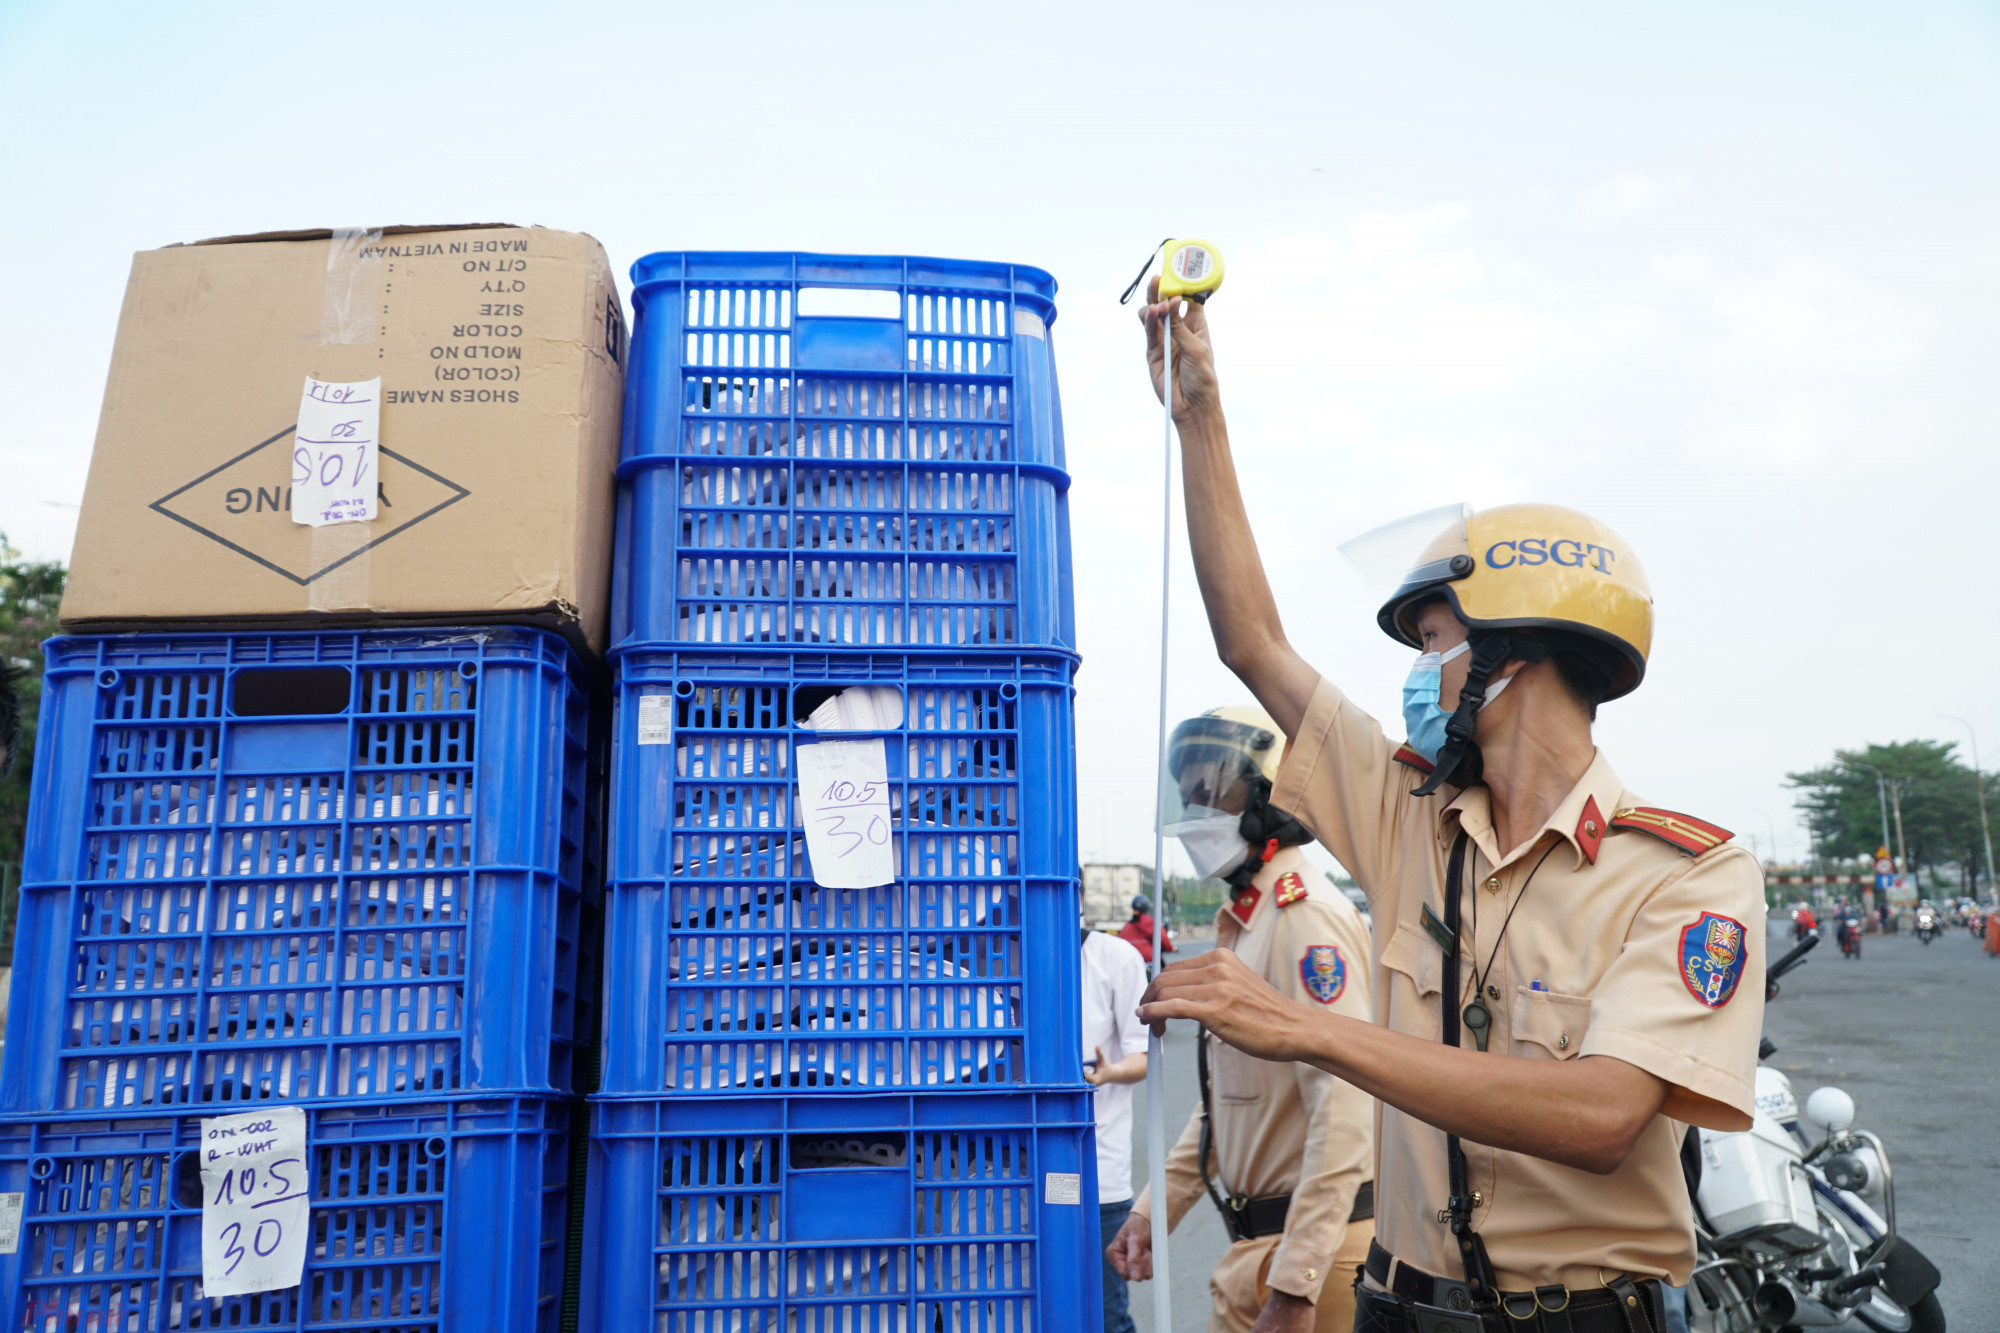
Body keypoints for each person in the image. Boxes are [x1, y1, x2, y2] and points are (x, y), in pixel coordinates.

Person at [1131, 282, 1766, 1333]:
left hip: (1576, 1317)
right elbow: (1250, 640)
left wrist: (1307, 1031)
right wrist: (1197, 415)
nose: (1417, 676)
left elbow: (1602, 1114)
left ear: (1511, 657)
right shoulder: (1407, 816)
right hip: (1395, 1302)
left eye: (1432, 643)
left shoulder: (1687, 873)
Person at [1108, 706, 1377, 1332]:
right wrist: (1154, 1212)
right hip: (1259, 1252)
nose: (1194, 806)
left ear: (1270, 796)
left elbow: (1345, 1105)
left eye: (1210, 789)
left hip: (1312, 1256)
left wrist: (1297, 1281)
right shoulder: (1247, 923)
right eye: (1186, 792)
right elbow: (1224, 1099)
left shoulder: (1302, 919)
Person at [1081, 917, 1152, 1333]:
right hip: (1013, 1169)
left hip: (1098, 1169)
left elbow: (1143, 1056)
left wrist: (1108, 1073)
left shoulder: (1116, 957)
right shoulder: (1005, 955)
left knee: (1105, 1313)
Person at [1119, 893, 1177, 964]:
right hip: (1148, 959)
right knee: (1163, 973)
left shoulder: (1128, 925)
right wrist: (1170, 948)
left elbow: (1120, 941)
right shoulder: (1151, 922)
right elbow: (1163, 939)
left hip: (1128, 960)